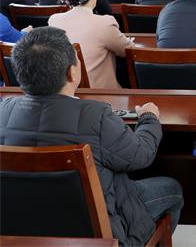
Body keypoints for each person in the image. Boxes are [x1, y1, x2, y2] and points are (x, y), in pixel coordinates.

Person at [0, 27, 183, 244]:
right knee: (172, 189)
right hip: (101, 236)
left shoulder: (3, 111)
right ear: (72, 72)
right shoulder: (96, 117)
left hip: (24, 233)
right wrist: (149, 118)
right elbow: (142, 155)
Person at [49, 0, 133, 89]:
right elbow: (128, 50)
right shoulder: (105, 23)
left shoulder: (54, 21)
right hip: (102, 94)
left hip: (68, 92)